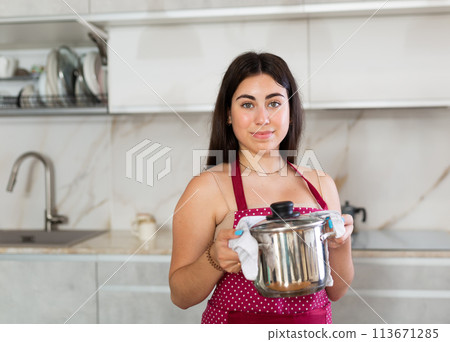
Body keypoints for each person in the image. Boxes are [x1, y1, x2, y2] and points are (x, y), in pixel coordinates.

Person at [169, 51, 354, 324]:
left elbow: (336, 290)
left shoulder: (321, 185)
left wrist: (341, 245)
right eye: (247, 105)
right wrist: (213, 259)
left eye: (275, 103)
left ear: (291, 113)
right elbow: (180, 296)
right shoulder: (206, 188)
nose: (262, 118)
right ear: (228, 115)